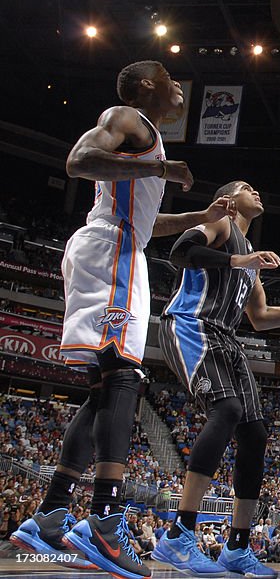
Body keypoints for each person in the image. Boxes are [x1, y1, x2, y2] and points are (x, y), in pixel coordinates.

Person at [10, 60, 232, 579]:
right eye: (171, 78)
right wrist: (161, 170)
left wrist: (199, 219)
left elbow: (146, 223)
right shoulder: (127, 117)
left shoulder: (145, 138)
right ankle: (105, 521)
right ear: (149, 84)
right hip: (111, 252)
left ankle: (51, 512)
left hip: (122, 247)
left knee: (106, 387)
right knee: (125, 377)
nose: (180, 86)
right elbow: (78, 160)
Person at [152, 180, 280, 579]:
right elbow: (180, 252)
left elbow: (260, 318)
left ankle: (237, 546)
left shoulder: (250, 254)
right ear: (230, 198)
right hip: (192, 324)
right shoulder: (223, 226)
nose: (257, 192)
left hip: (226, 336)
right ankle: (179, 534)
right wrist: (237, 263)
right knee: (226, 409)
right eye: (248, 187)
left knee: (255, 433)